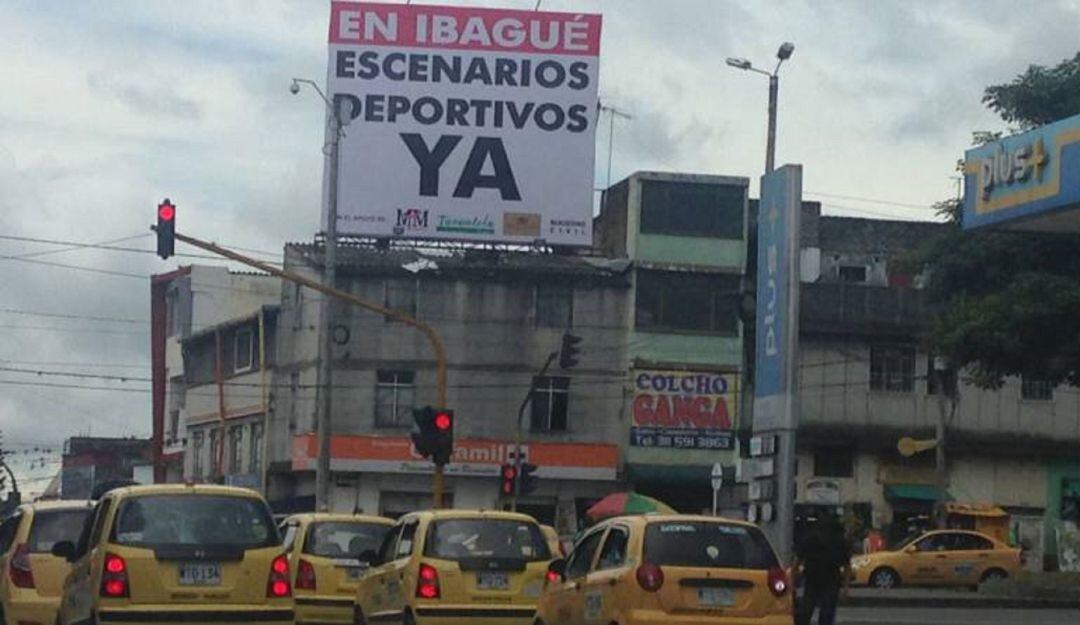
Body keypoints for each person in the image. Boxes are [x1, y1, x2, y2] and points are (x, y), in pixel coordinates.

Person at [793, 516, 850, 625]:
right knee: (826, 613)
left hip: (813, 579)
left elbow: (797, 561)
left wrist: (792, 581)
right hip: (831, 580)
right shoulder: (839, 541)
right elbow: (847, 566)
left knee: (806, 611)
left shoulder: (810, 539)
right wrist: (845, 588)